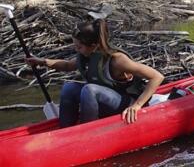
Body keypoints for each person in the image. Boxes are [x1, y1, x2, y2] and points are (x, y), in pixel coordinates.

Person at [26, 19, 164, 127]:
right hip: (106, 102)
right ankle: (65, 129)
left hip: (125, 103)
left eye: (79, 46)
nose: (76, 49)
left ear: (94, 46)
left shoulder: (117, 60)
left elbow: (157, 76)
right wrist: (42, 61)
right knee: (69, 88)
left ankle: (88, 131)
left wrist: (137, 106)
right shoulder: (88, 56)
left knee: (90, 90)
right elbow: (67, 65)